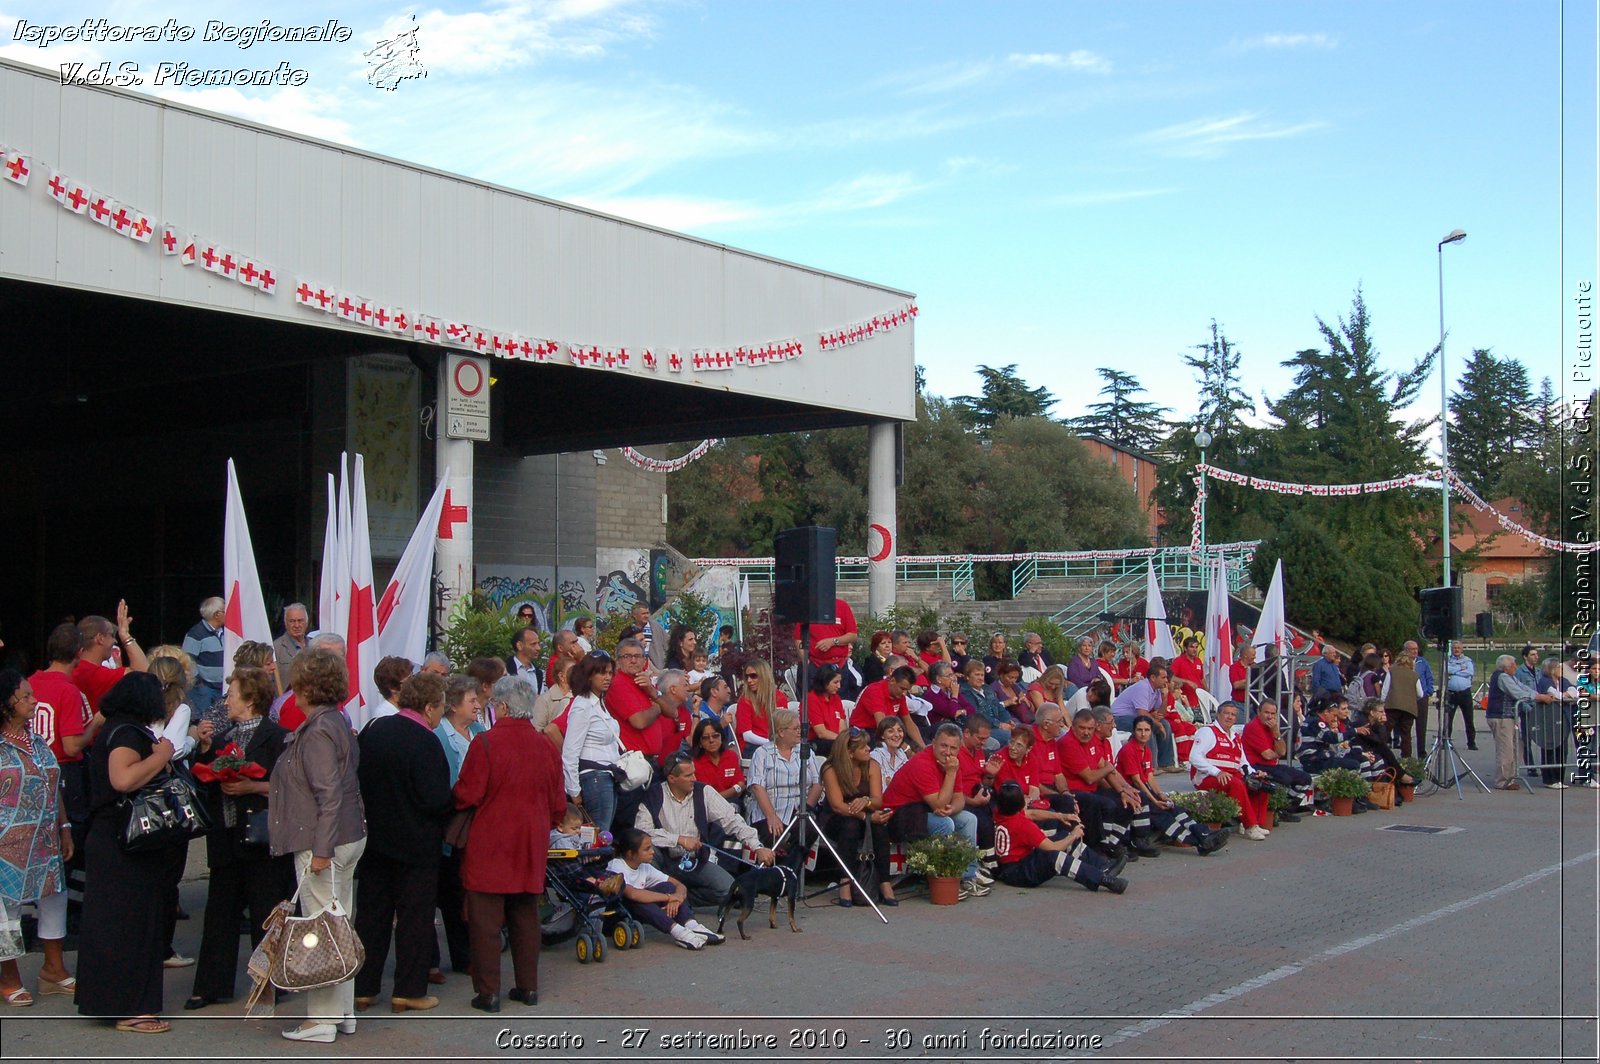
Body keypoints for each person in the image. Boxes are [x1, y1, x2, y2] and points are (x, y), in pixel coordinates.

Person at [268, 649, 367, 1043]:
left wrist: (321, 851)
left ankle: (323, 1019)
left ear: (307, 686)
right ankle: (343, 1012)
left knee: (321, 930)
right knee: (338, 924)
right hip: (345, 835)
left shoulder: (319, 729)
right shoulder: (336, 721)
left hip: (324, 840)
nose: (292, 691)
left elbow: (327, 795)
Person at [75, 673, 183, 1034]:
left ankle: (112, 1001)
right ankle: (131, 1007)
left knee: (115, 923)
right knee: (130, 924)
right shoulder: (125, 733)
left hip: (113, 837)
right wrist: (164, 752)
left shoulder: (118, 729)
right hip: (123, 840)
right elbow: (123, 779)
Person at [453, 676, 567, 1010]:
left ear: (501, 706)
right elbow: (558, 802)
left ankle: (488, 992)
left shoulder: (486, 743)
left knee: (485, 920)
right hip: (530, 838)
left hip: (491, 839)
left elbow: (467, 793)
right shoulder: (545, 744)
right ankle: (527, 987)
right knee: (525, 915)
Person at [184, 666, 293, 1011]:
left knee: (267, 912)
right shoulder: (221, 738)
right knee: (219, 913)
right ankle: (210, 985)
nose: (226, 700)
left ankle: (271, 982)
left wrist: (252, 786)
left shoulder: (278, 736)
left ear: (249, 699)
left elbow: (290, 785)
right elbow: (202, 783)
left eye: (231, 694)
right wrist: (203, 752)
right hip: (226, 837)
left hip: (261, 837)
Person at [353, 673, 452, 1014]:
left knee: (371, 917)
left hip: (375, 839)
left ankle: (363, 988)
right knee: (414, 919)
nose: (441, 715)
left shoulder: (374, 730)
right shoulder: (425, 741)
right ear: (427, 708)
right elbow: (435, 798)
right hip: (416, 843)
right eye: (440, 708)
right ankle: (408, 990)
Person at [0, 670, 74, 1006]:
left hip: (44, 839)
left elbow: (54, 784)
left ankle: (53, 970)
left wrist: (64, 827)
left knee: (55, 899)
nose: (34, 701)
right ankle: (8, 976)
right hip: (7, 844)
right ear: (5, 705)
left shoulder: (38, 740)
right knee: (7, 910)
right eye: (25, 696)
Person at [635, 751, 771, 910]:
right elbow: (642, 833)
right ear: (672, 779)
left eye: (694, 773)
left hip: (693, 861)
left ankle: (682, 899)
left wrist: (758, 847)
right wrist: (679, 839)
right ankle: (659, 899)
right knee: (647, 854)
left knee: (731, 891)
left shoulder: (703, 791)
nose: (694, 779)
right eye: (688, 776)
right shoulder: (653, 795)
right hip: (663, 860)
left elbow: (732, 820)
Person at [28, 623, 97, 932]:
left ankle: (34, 916)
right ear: (78, 654)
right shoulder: (68, 690)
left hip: (32, 770)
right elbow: (71, 744)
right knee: (69, 845)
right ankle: (62, 920)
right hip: (62, 772)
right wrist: (96, 724)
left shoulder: (31, 682)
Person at [881, 722, 988, 900]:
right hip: (899, 815)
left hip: (922, 809)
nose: (948, 752)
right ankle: (943, 877)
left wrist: (952, 808)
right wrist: (951, 774)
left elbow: (959, 798)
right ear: (934, 742)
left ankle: (966, 877)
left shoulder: (953, 762)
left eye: (953, 748)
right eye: (943, 746)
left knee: (969, 818)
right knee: (944, 823)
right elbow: (938, 805)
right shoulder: (923, 763)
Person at [433, 674, 484, 978]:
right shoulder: (440, 735)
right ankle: (459, 954)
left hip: (480, 822)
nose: (478, 705)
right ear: (453, 706)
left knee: (472, 889)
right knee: (452, 890)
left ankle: (473, 950)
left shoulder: (478, 730)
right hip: (454, 821)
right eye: (472, 700)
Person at [1117, 716, 1228, 854]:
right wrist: (1155, 801)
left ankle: (1203, 834)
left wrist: (1161, 795)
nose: (1143, 733)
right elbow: (1137, 781)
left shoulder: (1146, 750)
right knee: (1161, 815)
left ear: (1151, 732)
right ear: (1134, 731)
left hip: (1142, 791)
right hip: (1132, 793)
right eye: (1139, 730)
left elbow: (1149, 777)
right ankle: (1197, 841)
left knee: (1173, 807)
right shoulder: (1129, 750)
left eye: (1147, 730)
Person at [991, 782, 1128, 893]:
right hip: (1016, 871)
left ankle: (1103, 867)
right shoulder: (1023, 826)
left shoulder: (1001, 812)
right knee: (1055, 857)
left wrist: (1060, 816)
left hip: (1011, 864)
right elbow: (1053, 848)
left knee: (1063, 836)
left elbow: (1030, 813)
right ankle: (1101, 879)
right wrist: (1074, 835)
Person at [1059, 708, 1157, 858]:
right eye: (1082, 728)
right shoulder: (1068, 743)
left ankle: (1126, 842)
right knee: (1108, 805)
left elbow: (1106, 769)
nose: (1086, 732)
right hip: (1076, 791)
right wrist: (1111, 773)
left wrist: (1124, 791)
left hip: (1091, 789)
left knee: (1132, 798)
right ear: (1073, 727)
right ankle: (1103, 847)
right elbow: (1091, 777)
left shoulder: (1090, 742)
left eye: (1089, 729)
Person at [607, 827, 723, 949]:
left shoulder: (644, 866)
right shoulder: (617, 866)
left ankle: (691, 925)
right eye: (647, 849)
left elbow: (678, 885)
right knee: (640, 900)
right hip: (616, 915)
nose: (652, 852)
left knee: (667, 886)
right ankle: (677, 931)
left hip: (635, 910)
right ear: (630, 854)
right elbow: (632, 894)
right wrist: (669, 897)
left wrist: (677, 898)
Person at [819, 728, 895, 906]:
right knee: (850, 826)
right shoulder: (830, 769)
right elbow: (838, 805)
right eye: (863, 747)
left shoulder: (872, 765)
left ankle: (884, 882)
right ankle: (845, 882)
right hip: (837, 818)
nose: (869, 749)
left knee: (880, 827)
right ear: (850, 752)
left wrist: (866, 801)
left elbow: (877, 800)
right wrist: (865, 817)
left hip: (864, 815)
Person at [1190, 701, 1271, 840]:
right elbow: (1194, 757)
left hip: (1231, 775)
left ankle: (1255, 823)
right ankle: (1250, 826)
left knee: (1261, 783)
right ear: (1218, 715)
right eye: (1226, 713)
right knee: (1236, 784)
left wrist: (1254, 773)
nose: (1229, 717)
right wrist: (1216, 772)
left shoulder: (1235, 737)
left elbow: (1243, 763)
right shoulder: (1208, 732)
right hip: (1208, 777)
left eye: (1233, 715)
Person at [562, 654, 624, 834]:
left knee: (602, 835)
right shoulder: (583, 705)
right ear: (589, 675)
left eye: (610, 673)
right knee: (597, 837)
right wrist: (574, 790)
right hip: (594, 778)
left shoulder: (599, 703)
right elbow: (570, 751)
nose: (607, 678)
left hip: (608, 775)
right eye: (601, 673)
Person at [746, 709, 822, 847]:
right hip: (769, 810)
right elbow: (757, 787)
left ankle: (791, 865)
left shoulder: (805, 751)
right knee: (772, 834)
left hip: (799, 810)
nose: (800, 731)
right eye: (796, 728)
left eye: (800, 728)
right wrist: (771, 815)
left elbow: (817, 783)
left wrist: (807, 807)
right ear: (781, 732)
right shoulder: (762, 753)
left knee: (809, 831)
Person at [71, 605, 149, 714]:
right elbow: (144, 674)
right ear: (100, 638)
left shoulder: (71, 667)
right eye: (112, 635)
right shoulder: (96, 675)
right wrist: (125, 636)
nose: (115, 641)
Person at [1241, 700, 1311, 817]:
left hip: (1271, 765)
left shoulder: (1273, 728)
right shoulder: (1253, 726)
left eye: (1273, 714)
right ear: (1259, 712)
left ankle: (1287, 807)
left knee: (1305, 779)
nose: (1270, 717)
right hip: (1256, 766)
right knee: (1285, 779)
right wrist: (1278, 752)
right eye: (1266, 713)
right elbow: (1267, 755)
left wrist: (1277, 733)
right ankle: (1279, 809)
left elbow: (1282, 751)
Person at [608, 638, 671, 760]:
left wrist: (652, 691)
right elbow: (639, 722)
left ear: (644, 661)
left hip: (651, 759)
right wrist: (658, 708)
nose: (633, 660)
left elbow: (673, 711)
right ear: (618, 661)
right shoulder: (618, 684)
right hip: (634, 761)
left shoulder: (644, 681)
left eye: (637, 656)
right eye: (627, 656)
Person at [793, 597, 859, 696]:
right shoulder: (808, 607)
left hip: (838, 666)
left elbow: (852, 636)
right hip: (815, 665)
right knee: (812, 700)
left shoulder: (842, 606)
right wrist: (805, 660)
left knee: (839, 701)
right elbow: (798, 638)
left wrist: (833, 641)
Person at [850, 666, 925, 749]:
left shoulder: (900, 695)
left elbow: (909, 722)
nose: (904, 693)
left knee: (918, 746)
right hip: (862, 732)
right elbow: (882, 724)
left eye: (907, 690)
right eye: (902, 689)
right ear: (892, 681)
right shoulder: (875, 691)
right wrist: (905, 748)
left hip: (884, 731)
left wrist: (922, 747)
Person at [1533, 658, 1577, 788]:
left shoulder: (1563, 681)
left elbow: (1575, 692)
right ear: (1552, 669)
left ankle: (1559, 778)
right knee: (1550, 749)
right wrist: (1565, 695)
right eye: (1559, 667)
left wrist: (1565, 694)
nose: (1562, 669)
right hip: (1549, 719)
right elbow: (1555, 695)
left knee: (1562, 749)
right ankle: (1549, 779)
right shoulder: (1544, 681)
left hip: (1564, 719)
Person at [180, 597, 227, 717]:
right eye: (225, 610)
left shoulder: (227, 632)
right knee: (204, 721)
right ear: (216, 614)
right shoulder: (195, 634)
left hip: (224, 688)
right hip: (204, 690)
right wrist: (200, 683)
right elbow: (187, 661)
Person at [735, 658, 788, 750]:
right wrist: (770, 743)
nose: (749, 680)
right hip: (752, 744)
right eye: (747, 677)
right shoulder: (745, 700)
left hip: (776, 743)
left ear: (764, 676)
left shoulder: (780, 697)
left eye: (753, 676)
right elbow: (747, 735)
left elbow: (784, 726)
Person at [960, 657, 1011, 747]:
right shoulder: (964, 692)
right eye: (977, 675)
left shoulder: (987, 689)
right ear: (967, 676)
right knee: (1010, 737)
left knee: (1022, 731)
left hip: (998, 725)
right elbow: (976, 714)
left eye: (982, 675)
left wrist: (1008, 721)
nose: (980, 678)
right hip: (982, 729)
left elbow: (999, 706)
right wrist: (999, 724)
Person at [690, 718, 744, 801]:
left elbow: (740, 786)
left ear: (721, 738)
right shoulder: (695, 763)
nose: (711, 740)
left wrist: (736, 789)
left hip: (732, 803)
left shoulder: (731, 756)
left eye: (715, 736)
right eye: (705, 738)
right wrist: (733, 790)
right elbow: (706, 796)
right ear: (700, 743)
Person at [1382, 650, 1421, 759]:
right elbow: (1420, 693)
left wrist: (1382, 704)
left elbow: (1385, 690)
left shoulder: (1392, 671)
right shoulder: (1414, 675)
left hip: (1392, 705)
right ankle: (1406, 759)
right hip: (1409, 708)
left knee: (1386, 731)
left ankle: (1382, 754)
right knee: (1406, 735)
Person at [364, 655, 413, 731]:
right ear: (392, 688)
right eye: (409, 680)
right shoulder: (383, 715)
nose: (414, 682)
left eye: (413, 676)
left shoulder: (410, 708)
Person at [1444, 641, 1478, 750]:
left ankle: (1471, 742)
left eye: (1458, 648)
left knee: (1469, 719)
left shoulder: (1467, 660)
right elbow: (1446, 670)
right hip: (1451, 694)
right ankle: (1446, 741)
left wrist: (1454, 671)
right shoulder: (1447, 660)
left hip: (1465, 694)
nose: (1456, 650)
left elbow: (1470, 672)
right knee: (1448, 719)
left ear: (1462, 649)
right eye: (1454, 648)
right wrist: (1459, 669)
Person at [806, 665, 847, 755]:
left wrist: (844, 740)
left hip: (836, 740)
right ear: (824, 682)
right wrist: (842, 742)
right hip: (817, 742)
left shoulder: (836, 698)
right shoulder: (812, 699)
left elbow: (842, 725)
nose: (839, 686)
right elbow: (821, 733)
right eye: (835, 682)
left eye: (840, 682)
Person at [533, 656, 575, 737]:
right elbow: (537, 730)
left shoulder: (578, 696)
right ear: (561, 676)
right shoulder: (544, 700)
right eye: (572, 671)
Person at [273, 603, 310, 691]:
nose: (296, 625)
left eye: (300, 621)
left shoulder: (315, 645)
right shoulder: (276, 647)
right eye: (292, 621)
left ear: (306, 622)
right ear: (286, 623)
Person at [924, 661, 972, 727]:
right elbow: (952, 713)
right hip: (942, 731)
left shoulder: (950, 690)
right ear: (938, 679)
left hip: (958, 726)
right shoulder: (931, 695)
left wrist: (961, 712)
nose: (954, 678)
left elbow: (971, 709)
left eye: (953, 674)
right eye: (949, 675)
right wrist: (954, 696)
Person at [869, 716, 912, 787]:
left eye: (900, 730)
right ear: (882, 735)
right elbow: (882, 789)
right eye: (890, 731)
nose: (897, 735)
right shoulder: (875, 756)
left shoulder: (902, 754)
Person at [990, 659, 1033, 726]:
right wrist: (1008, 702)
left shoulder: (1015, 687)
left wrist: (1027, 702)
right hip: (1008, 720)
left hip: (1023, 719)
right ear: (1001, 675)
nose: (1013, 681)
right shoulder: (994, 688)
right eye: (1010, 677)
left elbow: (1030, 708)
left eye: (1015, 678)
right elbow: (992, 708)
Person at [504, 627, 545, 693]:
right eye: (533, 644)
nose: (538, 648)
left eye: (538, 644)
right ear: (519, 646)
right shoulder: (505, 669)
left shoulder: (538, 674)